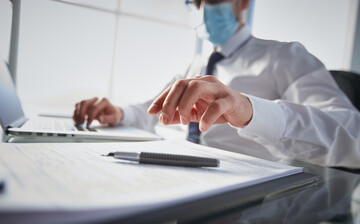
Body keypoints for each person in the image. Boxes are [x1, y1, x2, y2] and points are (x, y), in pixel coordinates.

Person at [73, 0, 360, 168]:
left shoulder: (285, 57)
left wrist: (250, 112)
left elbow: (351, 133)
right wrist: (120, 113)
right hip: (177, 175)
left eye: (212, 0)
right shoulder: (197, 65)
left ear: (244, 2)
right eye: (193, 2)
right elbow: (155, 111)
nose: (202, 9)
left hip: (249, 208)